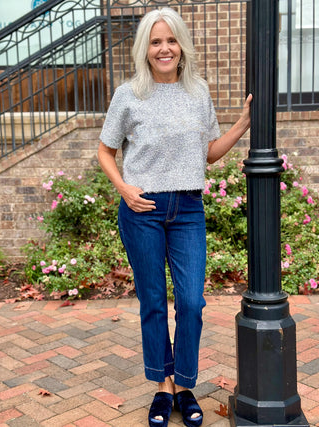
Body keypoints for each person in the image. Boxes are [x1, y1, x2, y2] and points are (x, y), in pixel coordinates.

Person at [98, 7, 252, 427]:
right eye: (155, 42)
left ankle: (185, 383)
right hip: (141, 210)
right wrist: (125, 189)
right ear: (145, 49)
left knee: (191, 302)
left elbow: (206, 154)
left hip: (187, 210)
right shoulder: (129, 94)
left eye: (171, 40)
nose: (164, 48)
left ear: (181, 46)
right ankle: (164, 386)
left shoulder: (197, 91)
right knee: (152, 303)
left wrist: (241, 124)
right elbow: (105, 151)